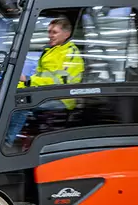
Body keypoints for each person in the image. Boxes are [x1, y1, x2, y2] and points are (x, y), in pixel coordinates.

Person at [5, 17, 84, 147]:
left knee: (22, 105)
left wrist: (28, 80)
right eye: (49, 32)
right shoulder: (51, 50)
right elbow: (41, 76)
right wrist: (17, 86)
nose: (50, 35)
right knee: (8, 98)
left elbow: (59, 81)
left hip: (62, 98)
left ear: (66, 34)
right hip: (46, 92)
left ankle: (6, 142)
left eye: (54, 32)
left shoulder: (71, 54)